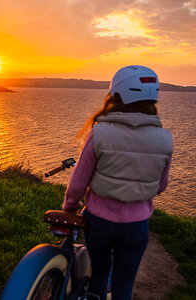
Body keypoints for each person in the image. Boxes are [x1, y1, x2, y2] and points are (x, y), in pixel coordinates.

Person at [62, 65, 173, 300]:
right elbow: (161, 186)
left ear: (116, 95)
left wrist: (70, 206)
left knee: (100, 274)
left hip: (99, 222)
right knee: (124, 282)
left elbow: (78, 184)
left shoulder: (100, 133)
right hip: (136, 226)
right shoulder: (165, 139)